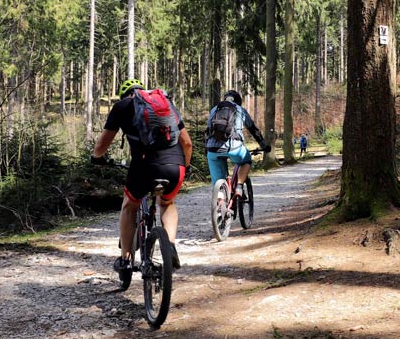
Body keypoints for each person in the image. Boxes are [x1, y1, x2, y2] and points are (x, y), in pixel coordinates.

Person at [91, 79, 192, 278]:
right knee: (167, 203)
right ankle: (169, 245)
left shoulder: (122, 106)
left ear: (124, 94)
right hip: (175, 166)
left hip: (145, 166)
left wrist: (96, 157)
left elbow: (103, 143)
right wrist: (184, 168)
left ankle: (126, 260)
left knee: (130, 205)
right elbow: (187, 143)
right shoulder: (165, 103)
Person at [205, 90, 269, 197]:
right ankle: (239, 186)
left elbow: (208, 131)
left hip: (212, 149)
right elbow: (253, 130)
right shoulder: (240, 110)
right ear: (239, 101)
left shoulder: (214, 110)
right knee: (246, 161)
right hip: (234, 147)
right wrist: (263, 146)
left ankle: (220, 204)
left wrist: (207, 149)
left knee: (218, 183)